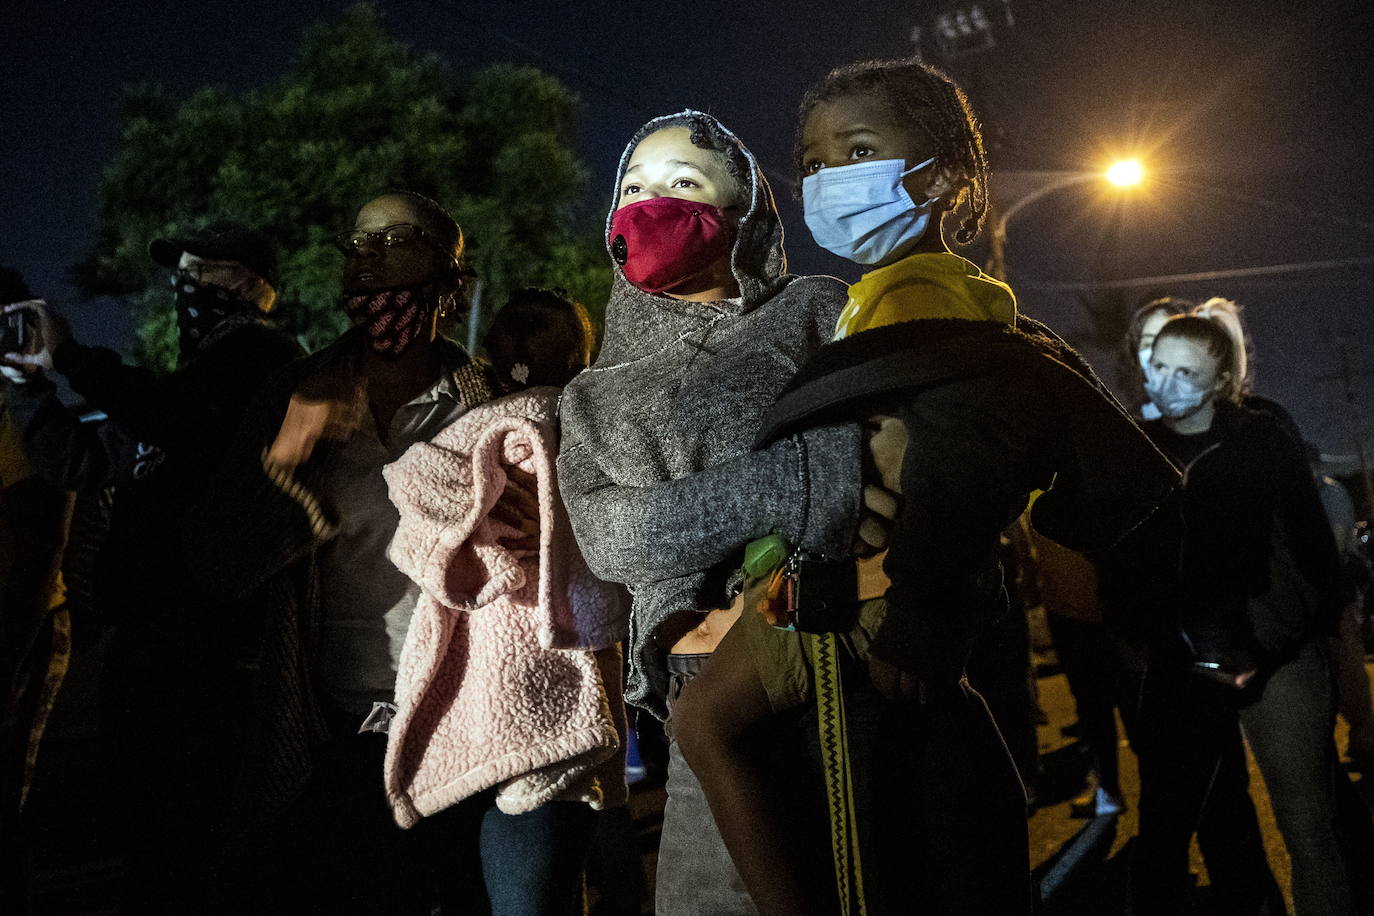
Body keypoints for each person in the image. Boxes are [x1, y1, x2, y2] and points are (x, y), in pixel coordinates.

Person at [666, 59, 1176, 916]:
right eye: (817, 161)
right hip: (874, 594)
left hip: (862, 596)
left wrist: (919, 613)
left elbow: (960, 455)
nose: (829, 179)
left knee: (702, 726)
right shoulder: (886, 296)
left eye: (858, 150)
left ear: (938, 177)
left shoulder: (917, 297)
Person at [195, 192, 611, 914]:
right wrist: (288, 456)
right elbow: (215, 567)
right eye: (357, 243)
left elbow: (576, 557)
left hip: (471, 720)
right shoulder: (293, 393)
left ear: (452, 283)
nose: (370, 259)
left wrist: (543, 521)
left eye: (397, 239)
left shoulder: (490, 403)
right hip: (337, 729)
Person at [557, 111, 880, 916]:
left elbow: (856, 467)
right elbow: (612, 537)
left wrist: (799, 494)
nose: (649, 203)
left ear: (744, 214)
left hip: (834, 650)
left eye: (683, 184)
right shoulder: (592, 396)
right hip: (699, 677)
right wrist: (785, 485)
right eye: (632, 187)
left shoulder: (812, 310)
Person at [1, 226, 300, 912]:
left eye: (205, 273)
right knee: (149, 849)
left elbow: (178, 420)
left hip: (217, 661)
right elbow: (82, 461)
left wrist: (72, 355)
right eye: (183, 273)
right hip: (151, 650)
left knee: (195, 855)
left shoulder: (267, 364)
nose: (184, 288)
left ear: (253, 289)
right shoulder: (183, 385)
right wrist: (28, 387)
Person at [1102, 313, 1364, 914]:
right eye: (1159, 366)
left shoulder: (1262, 440)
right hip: (1178, 666)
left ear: (1219, 379)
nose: (1167, 384)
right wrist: (1143, 640)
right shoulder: (1132, 447)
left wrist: (1270, 646)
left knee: (1307, 827)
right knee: (1169, 831)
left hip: (1278, 659)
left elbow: (1313, 559)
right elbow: (1119, 564)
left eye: (1186, 372)